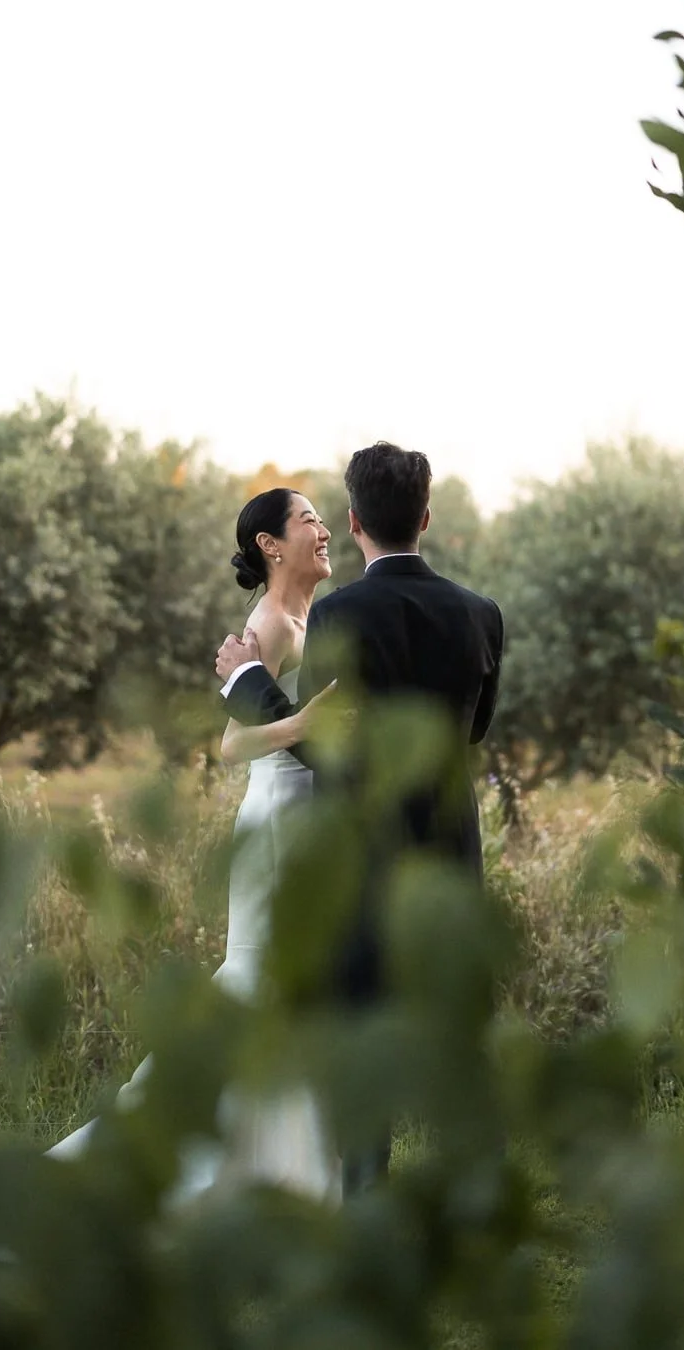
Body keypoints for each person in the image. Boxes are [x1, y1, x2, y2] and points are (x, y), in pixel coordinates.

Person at [0, 488, 340, 1253]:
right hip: (275, 825)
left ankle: (283, 1185)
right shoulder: (270, 624)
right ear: (272, 545)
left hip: (309, 826)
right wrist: (307, 722)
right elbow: (232, 747)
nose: (324, 528)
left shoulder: (316, 622)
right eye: (308, 519)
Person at [216, 442, 504, 1196]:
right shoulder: (482, 615)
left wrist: (245, 682)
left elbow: (324, 749)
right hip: (449, 861)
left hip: (363, 868)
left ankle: (365, 1203)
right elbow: (472, 734)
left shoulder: (339, 615)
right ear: (427, 517)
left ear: (352, 522)